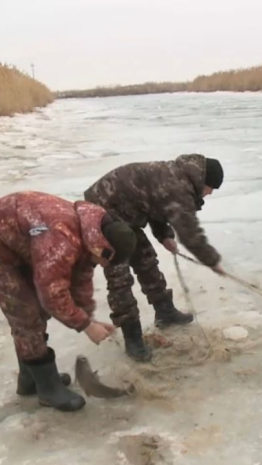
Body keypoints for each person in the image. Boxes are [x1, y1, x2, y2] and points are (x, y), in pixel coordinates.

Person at [0, 191, 137, 411]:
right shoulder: (61, 239)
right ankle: (46, 388)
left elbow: (81, 275)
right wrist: (85, 325)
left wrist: (88, 316)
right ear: (103, 248)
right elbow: (52, 294)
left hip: (22, 240)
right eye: (106, 262)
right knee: (26, 314)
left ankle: (30, 379)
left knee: (36, 310)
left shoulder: (90, 232)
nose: (104, 267)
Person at [84, 154, 225, 362]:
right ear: (203, 180)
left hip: (126, 211)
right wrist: (211, 260)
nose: (210, 193)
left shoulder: (178, 177)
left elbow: (153, 204)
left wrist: (164, 235)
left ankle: (165, 311)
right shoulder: (177, 185)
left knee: (146, 260)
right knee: (119, 277)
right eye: (211, 187)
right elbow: (189, 232)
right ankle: (132, 336)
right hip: (103, 212)